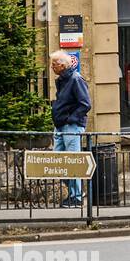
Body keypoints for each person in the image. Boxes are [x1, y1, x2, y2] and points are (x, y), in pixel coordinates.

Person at [49, 51, 92, 207]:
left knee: (72, 162)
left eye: (54, 64)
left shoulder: (75, 79)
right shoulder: (62, 80)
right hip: (60, 125)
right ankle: (75, 193)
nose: (52, 67)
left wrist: (70, 119)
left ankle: (77, 197)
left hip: (71, 126)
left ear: (62, 65)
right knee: (57, 163)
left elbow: (85, 104)